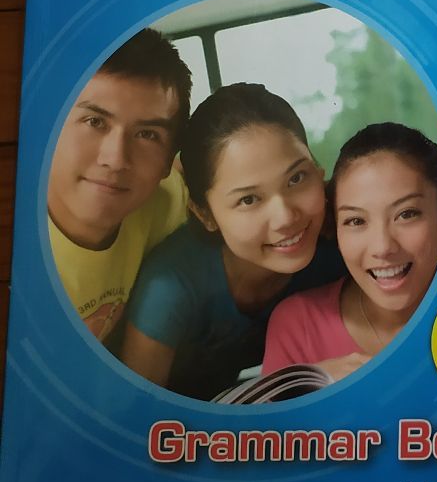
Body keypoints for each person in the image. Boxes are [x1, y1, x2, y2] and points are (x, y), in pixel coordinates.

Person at [121, 83, 343, 400]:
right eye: (249, 199)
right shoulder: (171, 285)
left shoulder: (342, 247)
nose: (285, 217)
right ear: (205, 214)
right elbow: (132, 413)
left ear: (318, 172)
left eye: (296, 178)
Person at [262, 123, 437, 378]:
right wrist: (312, 385)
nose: (382, 247)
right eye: (356, 221)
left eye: (406, 214)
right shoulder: (298, 326)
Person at [48, 29, 191, 346]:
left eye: (147, 135)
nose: (115, 159)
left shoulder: (165, 201)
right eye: (94, 122)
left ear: (166, 162)